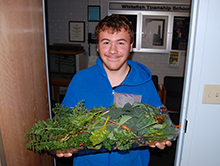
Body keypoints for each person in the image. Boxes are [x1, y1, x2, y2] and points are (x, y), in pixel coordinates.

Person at [56, 14, 171, 166]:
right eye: (106, 42)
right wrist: (62, 141)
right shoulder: (80, 80)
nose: (113, 50)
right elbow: (64, 122)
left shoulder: (145, 83)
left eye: (121, 43)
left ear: (131, 46)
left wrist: (159, 135)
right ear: (97, 46)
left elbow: (159, 120)